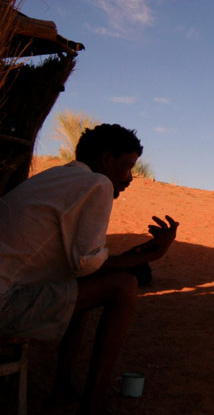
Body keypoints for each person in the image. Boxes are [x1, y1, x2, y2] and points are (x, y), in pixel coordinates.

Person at [0, 123, 179, 414]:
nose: (131, 178)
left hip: (9, 289)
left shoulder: (57, 177)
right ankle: (93, 404)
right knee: (124, 287)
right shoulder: (97, 184)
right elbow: (88, 265)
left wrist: (136, 255)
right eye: (128, 166)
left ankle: (62, 387)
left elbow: (84, 263)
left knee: (80, 287)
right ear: (106, 159)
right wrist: (154, 254)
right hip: (4, 304)